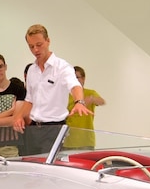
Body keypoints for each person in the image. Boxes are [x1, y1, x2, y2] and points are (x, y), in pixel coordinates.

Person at [15, 24, 92, 154]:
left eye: (39, 45)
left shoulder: (62, 67)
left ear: (48, 41)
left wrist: (79, 102)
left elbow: (75, 85)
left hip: (54, 128)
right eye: (31, 46)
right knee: (30, 166)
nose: (35, 50)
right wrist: (19, 116)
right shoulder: (32, 70)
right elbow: (29, 99)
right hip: (33, 128)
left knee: (46, 166)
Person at [65, 66, 105, 148]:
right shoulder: (64, 95)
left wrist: (91, 99)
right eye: (72, 78)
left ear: (83, 79)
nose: (74, 80)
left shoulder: (90, 93)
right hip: (68, 141)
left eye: (77, 77)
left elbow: (102, 102)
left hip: (86, 141)